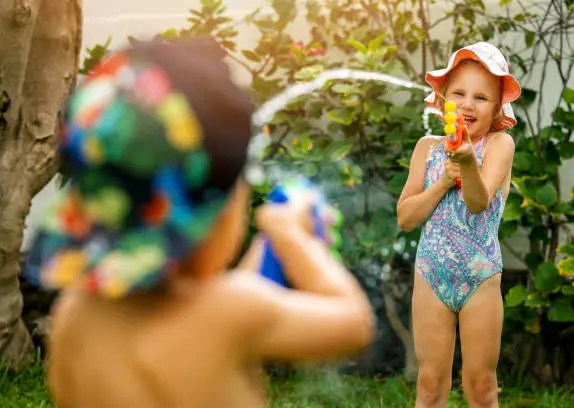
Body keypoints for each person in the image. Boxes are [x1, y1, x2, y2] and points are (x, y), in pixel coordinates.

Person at [25, 37, 375, 408]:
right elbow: (352, 322)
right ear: (215, 211)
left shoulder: (75, 318)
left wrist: (267, 248)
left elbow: (229, 298)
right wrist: (293, 239)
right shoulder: (230, 313)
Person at [396, 42, 521, 408]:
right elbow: (405, 218)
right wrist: (443, 181)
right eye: (459, 94)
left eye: (481, 97)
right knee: (431, 384)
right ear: (442, 99)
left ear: (498, 107)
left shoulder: (499, 144)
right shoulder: (427, 148)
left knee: (481, 386)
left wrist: (466, 161)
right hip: (431, 275)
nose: (468, 104)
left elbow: (479, 201)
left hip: (479, 278)